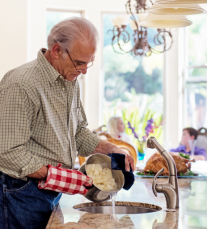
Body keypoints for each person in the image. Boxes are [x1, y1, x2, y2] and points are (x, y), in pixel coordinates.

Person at [0, 17, 134, 229]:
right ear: (56, 51)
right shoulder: (21, 84)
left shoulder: (69, 80)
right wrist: (57, 175)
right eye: (79, 63)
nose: (84, 71)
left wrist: (111, 148)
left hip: (52, 189)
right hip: (21, 191)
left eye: (88, 62)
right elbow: (8, 151)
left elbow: (78, 132)